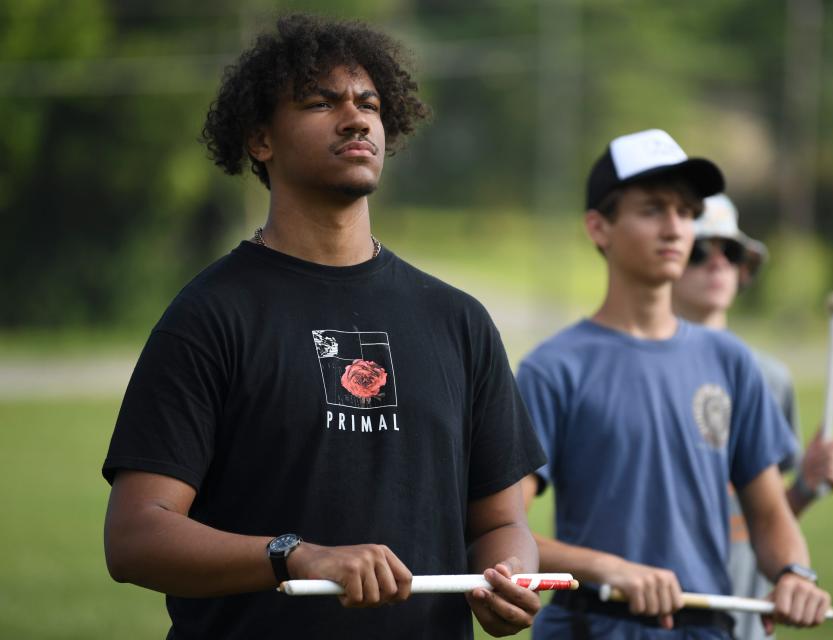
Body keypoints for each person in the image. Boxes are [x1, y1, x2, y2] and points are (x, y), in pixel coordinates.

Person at [101, 15, 546, 639]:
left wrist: (509, 578)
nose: (356, 118)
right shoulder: (210, 315)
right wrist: (295, 553)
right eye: (320, 102)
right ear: (261, 139)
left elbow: (501, 523)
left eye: (369, 103)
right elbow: (135, 536)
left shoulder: (458, 319)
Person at [517, 129, 833, 639]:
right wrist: (608, 568)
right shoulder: (554, 369)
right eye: (652, 210)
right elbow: (501, 533)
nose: (675, 228)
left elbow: (771, 513)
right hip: (593, 625)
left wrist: (795, 573)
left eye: (686, 212)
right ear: (599, 227)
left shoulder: (730, 361)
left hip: (708, 627)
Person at [671, 194, 833, 640]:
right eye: (699, 251)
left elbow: (762, 515)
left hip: (743, 614)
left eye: (729, 252)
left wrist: (806, 487)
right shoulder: (634, 372)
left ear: (742, 269)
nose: (717, 265)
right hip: (656, 616)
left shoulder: (770, 378)